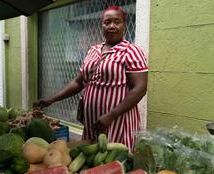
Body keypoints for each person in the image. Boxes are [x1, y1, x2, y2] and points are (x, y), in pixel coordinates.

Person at [34, 6, 148, 152]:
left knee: (114, 159)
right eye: (107, 22)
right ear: (102, 25)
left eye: (117, 22)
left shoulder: (131, 52)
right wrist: (51, 100)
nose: (112, 26)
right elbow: (78, 82)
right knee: (91, 158)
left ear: (124, 25)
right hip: (93, 122)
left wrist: (111, 115)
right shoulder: (93, 50)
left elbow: (140, 89)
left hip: (117, 121)